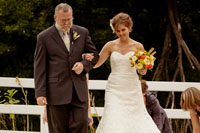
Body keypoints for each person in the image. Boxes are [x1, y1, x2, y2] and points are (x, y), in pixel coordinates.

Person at [84, 12, 160, 133]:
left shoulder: (138, 46)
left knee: (135, 118)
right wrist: (88, 58)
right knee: (113, 115)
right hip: (114, 87)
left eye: (123, 30)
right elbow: (97, 63)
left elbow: (143, 71)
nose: (120, 33)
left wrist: (142, 68)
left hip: (132, 87)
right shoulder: (110, 45)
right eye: (117, 31)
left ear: (129, 27)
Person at [34, 3, 99, 133]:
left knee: (81, 123)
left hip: (78, 90)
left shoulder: (82, 32)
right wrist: (40, 93)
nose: (67, 23)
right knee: (58, 129)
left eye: (70, 19)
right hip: (56, 91)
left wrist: (83, 65)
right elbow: (39, 66)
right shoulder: (44, 37)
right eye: (64, 20)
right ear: (55, 18)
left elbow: (95, 56)